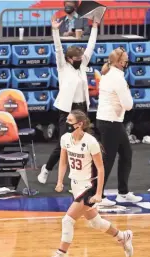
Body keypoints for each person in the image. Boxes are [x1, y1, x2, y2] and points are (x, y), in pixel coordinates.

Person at [38, 110, 133, 257]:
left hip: (89, 187)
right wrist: (60, 181)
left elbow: (101, 169)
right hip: (75, 186)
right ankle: (122, 236)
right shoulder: (65, 139)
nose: (66, 123)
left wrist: (98, 193)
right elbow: (62, 162)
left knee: (67, 220)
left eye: (70, 120)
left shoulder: (91, 142)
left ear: (79, 124)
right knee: (96, 223)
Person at [38, 14, 98, 184]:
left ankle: (81, 175)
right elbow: (58, 49)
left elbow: (91, 46)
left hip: (82, 110)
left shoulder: (83, 65)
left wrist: (94, 27)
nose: (80, 61)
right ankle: (47, 169)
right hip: (67, 110)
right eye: (77, 59)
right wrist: (55, 31)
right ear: (69, 59)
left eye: (81, 59)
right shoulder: (63, 67)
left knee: (83, 142)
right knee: (64, 143)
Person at [95, 47, 142, 207]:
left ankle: (123, 193)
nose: (128, 60)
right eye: (126, 58)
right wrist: (128, 93)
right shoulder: (117, 79)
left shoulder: (110, 74)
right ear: (121, 62)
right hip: (110, 123)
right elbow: (128, 105)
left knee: (126, 153)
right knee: (107, 160)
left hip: (111, 121)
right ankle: (97, 195)